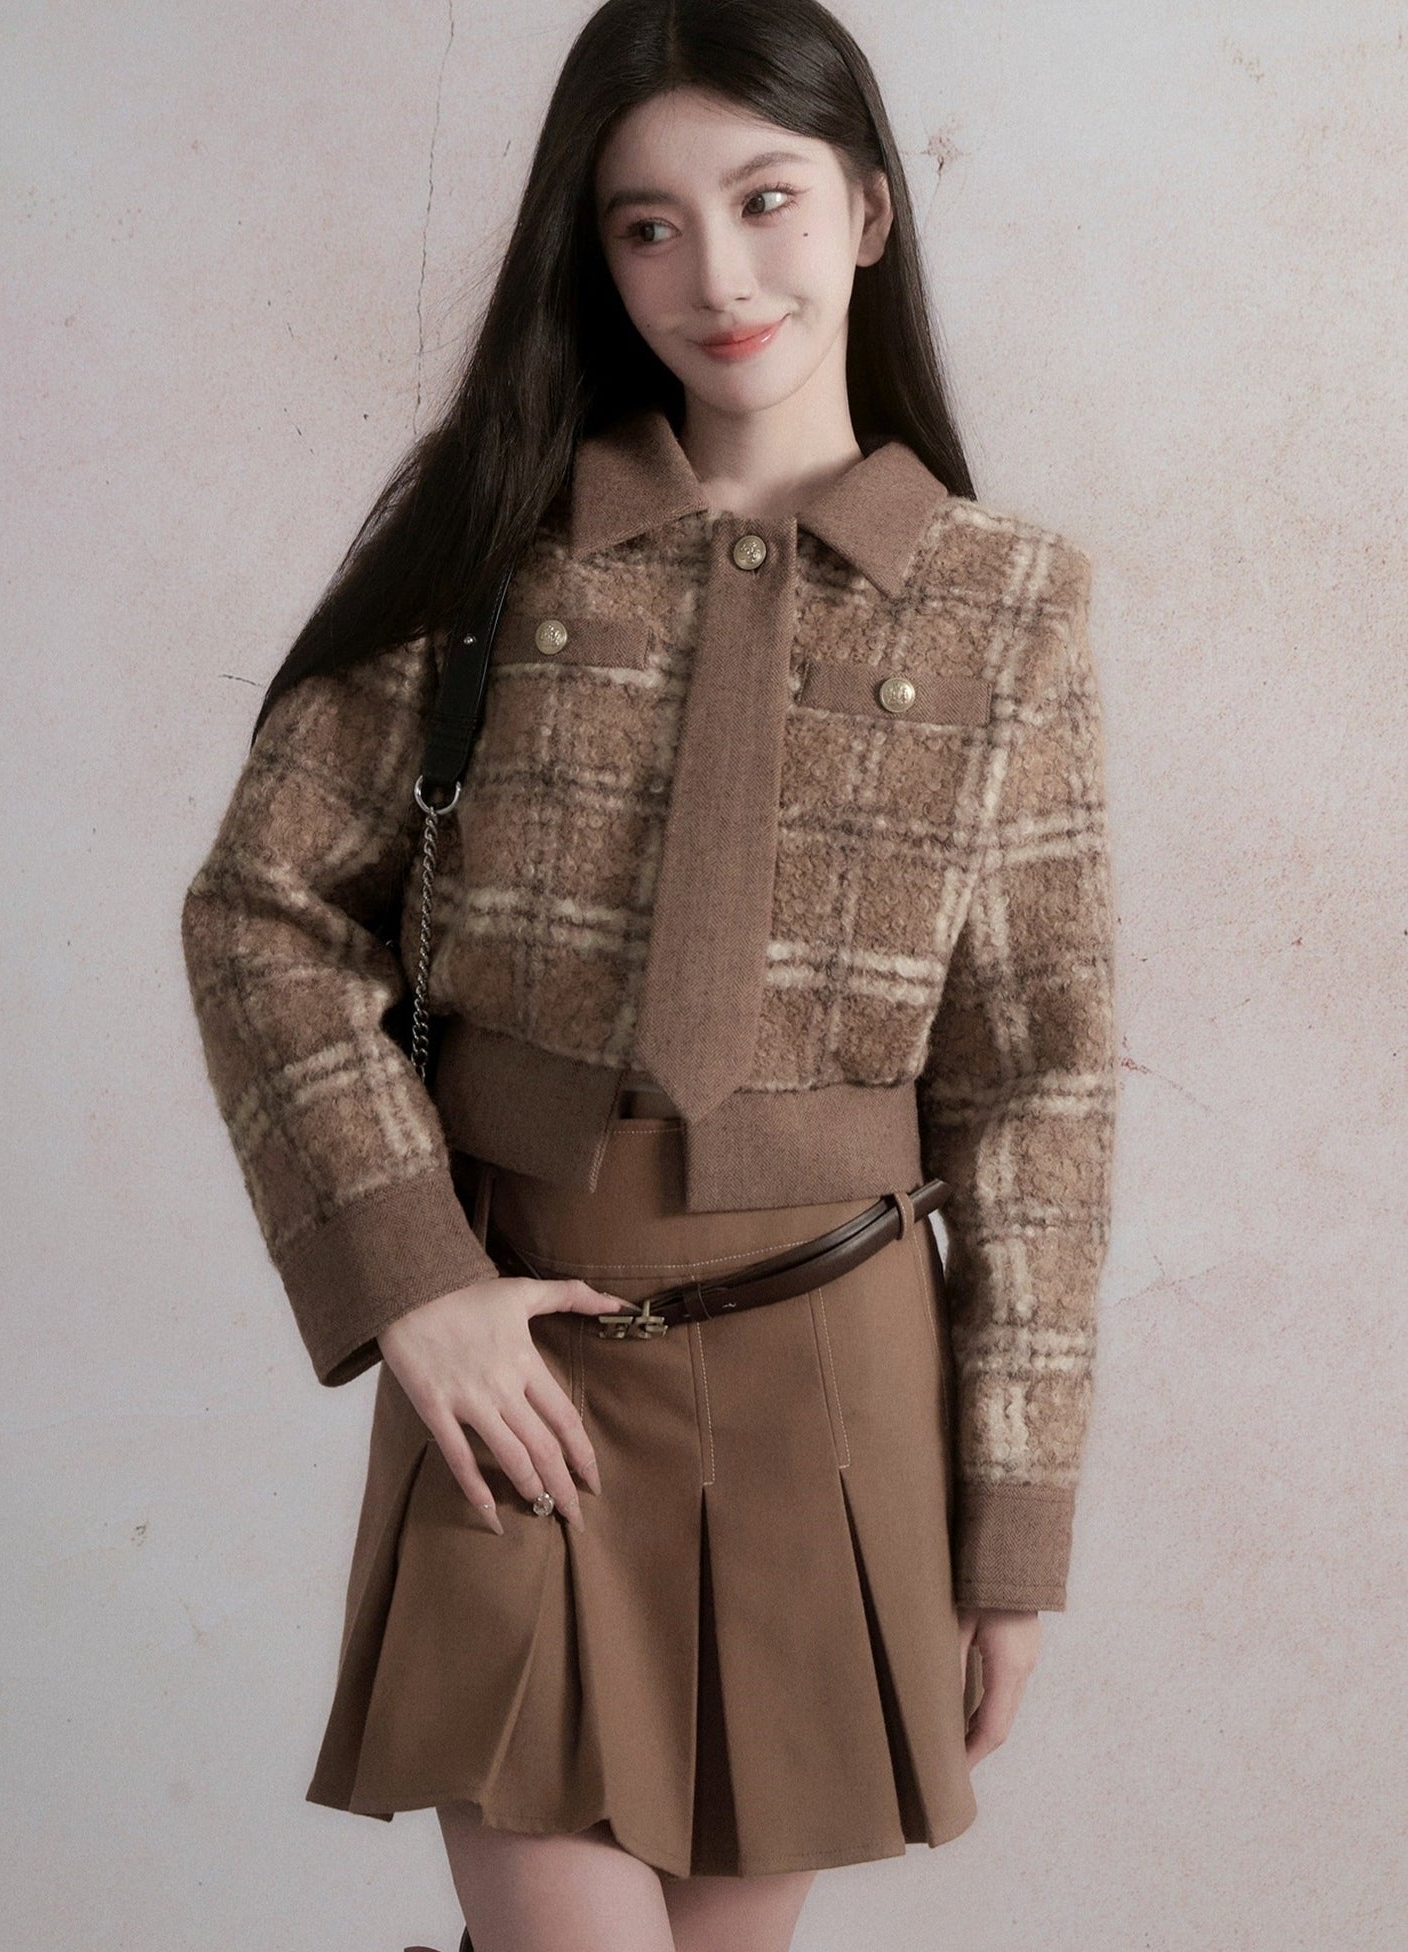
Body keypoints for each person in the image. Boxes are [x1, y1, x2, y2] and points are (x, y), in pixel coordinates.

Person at [180, 2, 1117, 1948]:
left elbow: (1036, 1079)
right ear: (594, 255)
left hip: (837, 1386)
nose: (718, 275)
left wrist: (1011, 1526)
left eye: (764, 200)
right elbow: (267, 907)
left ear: (868, 210)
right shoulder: (494, 539)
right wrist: (414, 1283)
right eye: (647, 225)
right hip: (524, 1370)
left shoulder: (1008, 604)